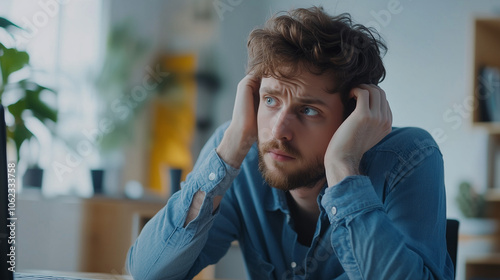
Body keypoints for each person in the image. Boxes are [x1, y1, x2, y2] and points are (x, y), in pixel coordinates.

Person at [127, 6, 454, 280]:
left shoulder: (408, 157)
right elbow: (146, 272)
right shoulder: (241, 149)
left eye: (308, 110)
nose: (278, 131)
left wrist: (343, 166)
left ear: (352, 117)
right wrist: (229, 150)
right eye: (270, 100)